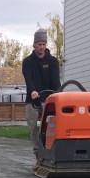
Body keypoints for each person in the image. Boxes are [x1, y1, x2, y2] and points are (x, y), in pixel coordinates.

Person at [22, 29, 61, 160]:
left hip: (49, 100)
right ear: (34, 44)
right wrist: (32, 91)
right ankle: (38, 153)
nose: (42, 47)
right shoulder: (28, 61)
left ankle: (51, 152)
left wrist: (59, 94)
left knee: (51, 127)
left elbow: (55, 81)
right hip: (33, 100)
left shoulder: (53, 61)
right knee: (34, 127)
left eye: (44, 44)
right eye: (39, 44)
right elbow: (29, 79)